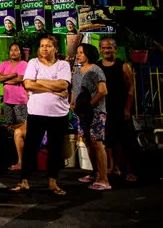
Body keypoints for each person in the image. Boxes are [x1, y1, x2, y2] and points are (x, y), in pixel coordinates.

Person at [11, 35, 70, 195]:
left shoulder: (63, 65)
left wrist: (40, 82)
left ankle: (53, 182)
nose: (45, 48)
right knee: (30, 147)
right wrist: (53, 88)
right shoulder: (33, 63)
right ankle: (24, 180)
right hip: (37, 113)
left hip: (59, 114)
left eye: (49, 46)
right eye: (42, 46)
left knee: (55, 149)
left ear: (56, 49)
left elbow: (63, 84)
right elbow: (28, 83)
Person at [97, 37, 138, 181]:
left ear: (115, 49)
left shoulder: (123, 66)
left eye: (109, 47)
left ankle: (129, 171)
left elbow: (131, 88)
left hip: (120, 108)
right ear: (100, 49)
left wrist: (127, 108)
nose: (106, 50)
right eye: (103, 47)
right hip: (104, 109)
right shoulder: (97, 67)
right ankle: (112, 168)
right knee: (108, 141)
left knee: (126, 141)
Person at [72, 43, 111, 191]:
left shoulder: (95, 70)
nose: (78, 55)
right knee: (88, 142)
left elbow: (103, 91)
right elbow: (75, 91)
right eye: (77, 52)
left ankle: (104, 179)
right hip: (81, 113)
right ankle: (95, 174)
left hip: (95, 112)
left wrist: (90, 106)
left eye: (81, 52)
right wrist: (72, 103)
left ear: (89, 53)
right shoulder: (77, 71)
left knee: (97, 143)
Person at [0, 43, 28, 170]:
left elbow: (20, 78)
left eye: (16, 50)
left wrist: (4, 79)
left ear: (21, 52)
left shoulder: (24, 64)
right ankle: (13, 158)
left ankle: (24, 160)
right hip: (8, 100)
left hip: (20, 101)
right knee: (10, 127)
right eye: (11, 50)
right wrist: (10, 76)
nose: (13, 52)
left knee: (22, 128)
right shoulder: (4, 64)